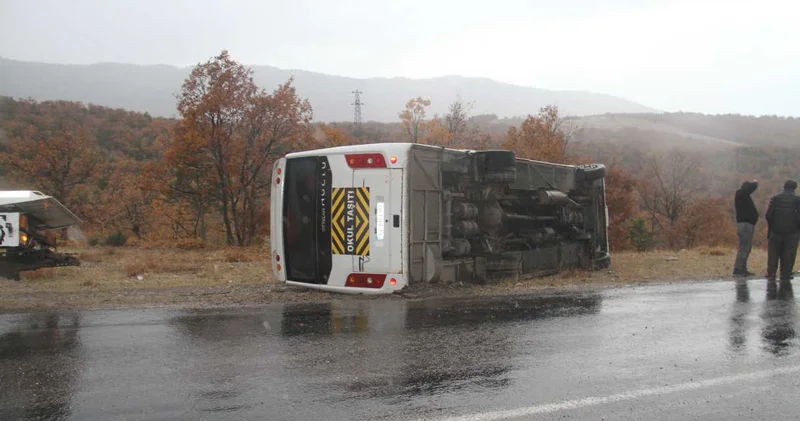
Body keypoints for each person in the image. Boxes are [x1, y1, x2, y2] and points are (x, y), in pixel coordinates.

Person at [765, 180, 800, 281]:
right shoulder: (797, 200)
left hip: (775, 231)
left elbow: (768, 215)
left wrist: (772, 226)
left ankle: (771, 272)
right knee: (789, 252)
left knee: (773, 251)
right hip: (792, 231)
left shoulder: (775, 198)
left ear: (784, 187)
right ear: (794, 188)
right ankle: (786, 273)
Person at [733, 180, 759, 276]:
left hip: (746, 225)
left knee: (746, 248)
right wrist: (755, 183)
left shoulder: (742, 196)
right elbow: (751, 188)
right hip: (745, 225)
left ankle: (742, 268)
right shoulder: (741, 193)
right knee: (744, 248)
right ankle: (738, 269)